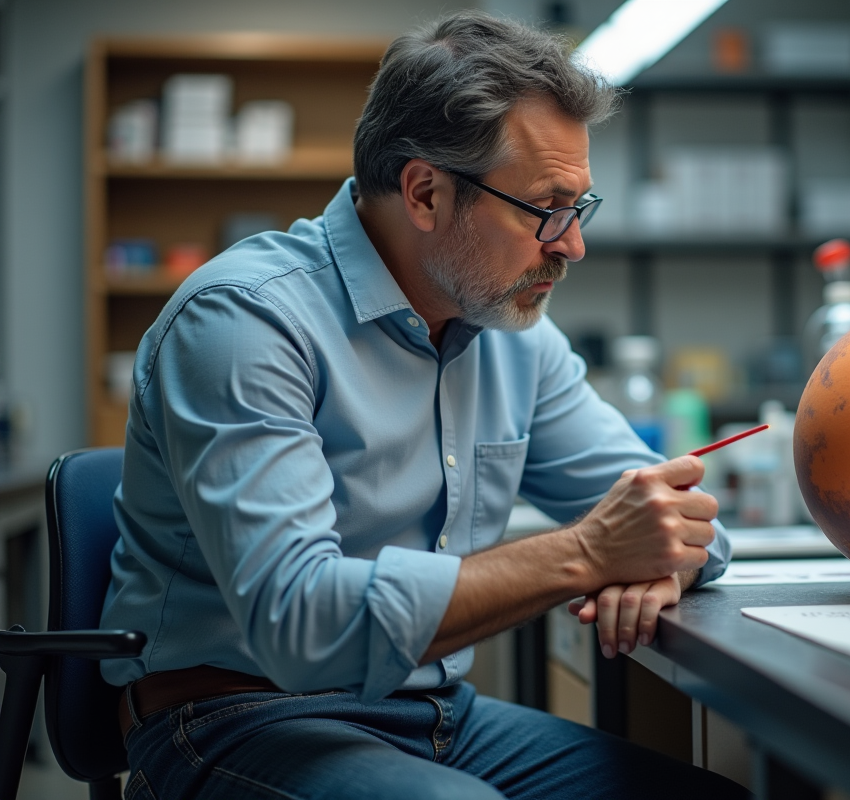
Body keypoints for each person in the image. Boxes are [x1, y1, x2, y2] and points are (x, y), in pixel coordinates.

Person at [100, 11, 748, 800]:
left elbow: (679, 514)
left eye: (581, 207)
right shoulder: (244, 321)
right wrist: (589, 554)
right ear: (425, 192)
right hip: (234, 717)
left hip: (434, 716)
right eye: (547, 207)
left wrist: (659, 549)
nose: (571, 244)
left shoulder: (514, 335)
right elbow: (304, 624)